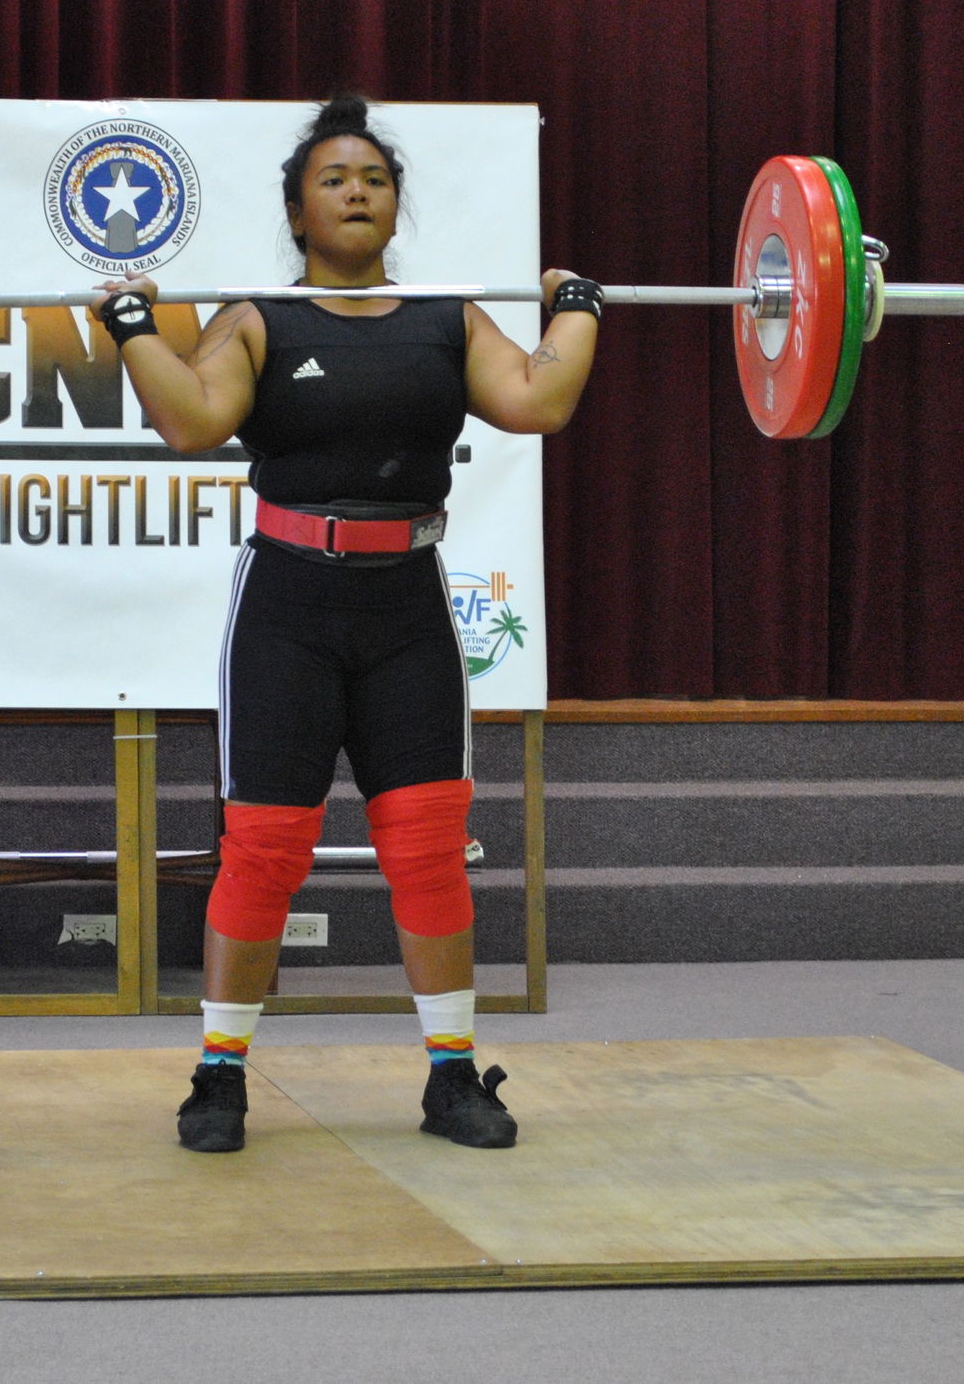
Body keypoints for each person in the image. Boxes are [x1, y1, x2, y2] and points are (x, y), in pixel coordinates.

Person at [92, 96, 600, 1153]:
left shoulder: (445, 318)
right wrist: (134, 327)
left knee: (427, 852)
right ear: (296, 210)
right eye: (333, 178)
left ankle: (452, 1077)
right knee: (263, 849)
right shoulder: (254, 320)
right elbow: (190, 423)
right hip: (287, 607)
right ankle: (218, 1076)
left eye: (372, 178)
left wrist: (576, 308)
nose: (356, 191)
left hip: (406, 608)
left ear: (395, 204)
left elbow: (537, 402)